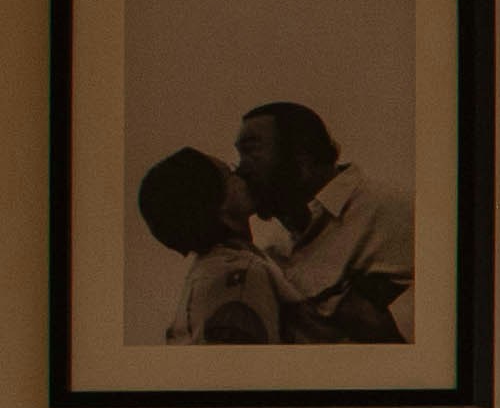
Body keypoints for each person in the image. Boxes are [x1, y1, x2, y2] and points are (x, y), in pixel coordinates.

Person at [231, 103, 410, 341]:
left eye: (251, 150)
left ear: (302, 154)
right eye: (239, 155)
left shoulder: (396, 211)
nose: (240, 170)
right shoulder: (274, 247)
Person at [133, 147, 280, 343]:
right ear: (219, 204)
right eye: (229, 172)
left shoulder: (208, 273)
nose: (242, 173)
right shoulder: (241, 279)